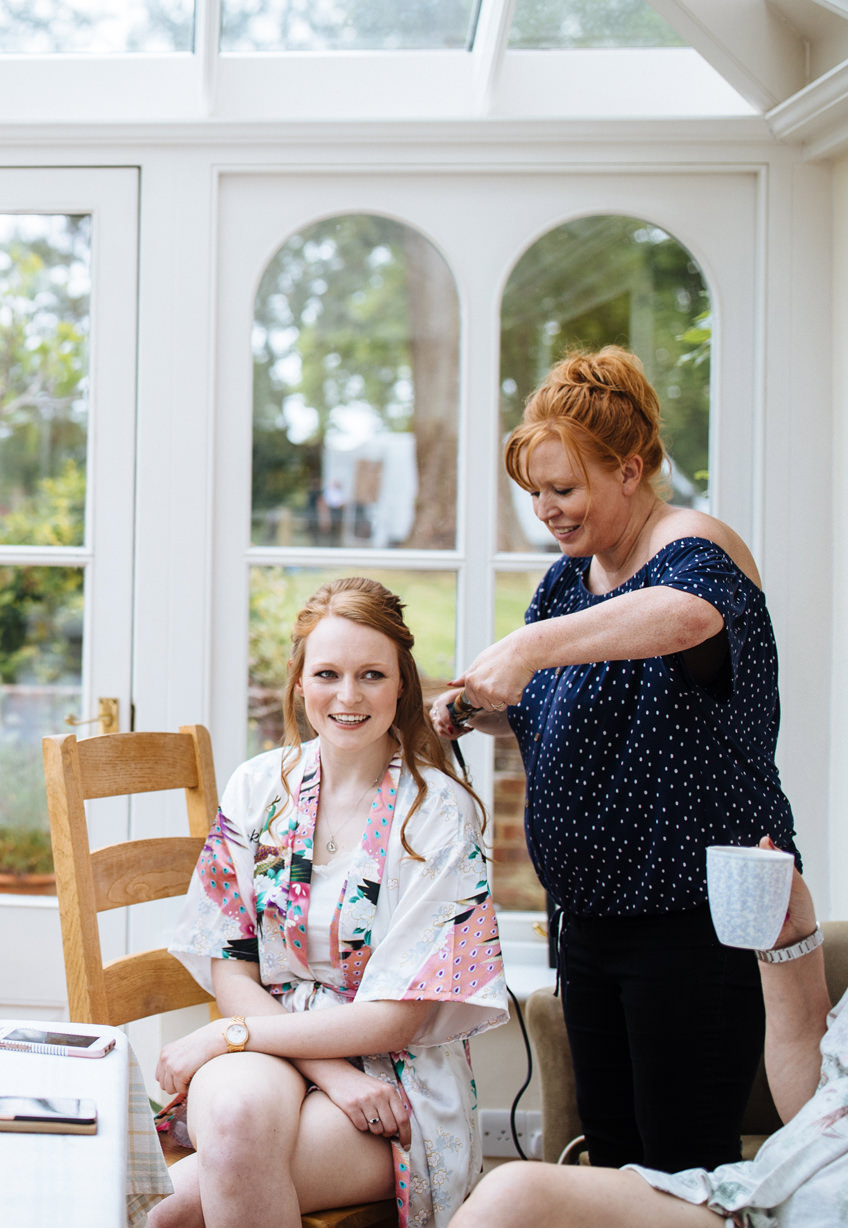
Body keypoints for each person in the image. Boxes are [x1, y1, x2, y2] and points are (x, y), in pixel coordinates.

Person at [431, 347, 800, 1174]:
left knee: (681, 1169)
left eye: (563, 489)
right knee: (613, 1160)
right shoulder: (571, 580)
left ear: (629, 470)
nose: (546, 512)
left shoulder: (695, 547)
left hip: (691, 924)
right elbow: (559, 710)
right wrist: (474, 711)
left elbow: (685, 618)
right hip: (592, 920)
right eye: (535, 493)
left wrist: (527, 646)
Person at [151, 577, 507, 1228]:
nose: (348, 696)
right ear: (299, 682)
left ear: (402, 685)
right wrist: (330, 1074)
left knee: (165, 1213)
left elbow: (396, 1020)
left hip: (395, 1080)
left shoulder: (439, 816)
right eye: (327, 674)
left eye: (372, 675)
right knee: (231, 1119)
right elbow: (233, 968)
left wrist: (226, 1034)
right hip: (273, 1044)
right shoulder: (257, 787)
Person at [451, 842, 838, 1228]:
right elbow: (816, 1107)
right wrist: (791, 940)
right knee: (512, 1196)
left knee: (682, 1146)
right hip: (766, 1201)